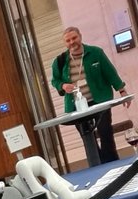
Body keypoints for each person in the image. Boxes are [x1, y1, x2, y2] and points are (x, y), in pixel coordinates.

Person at [50, 26, 129, 164]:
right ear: (65, 43)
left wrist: (122, 90)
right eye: (68, 40)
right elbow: (55, 80)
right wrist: (63, 85)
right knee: (87, 138)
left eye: (74, 38)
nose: (72, 42)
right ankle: (98, 165)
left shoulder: (96, 53)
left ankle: (113, 164)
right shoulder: (60, 61)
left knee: (105, 133)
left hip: (100, 100)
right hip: (77, 106)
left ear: (80, 36)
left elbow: (110, 72)